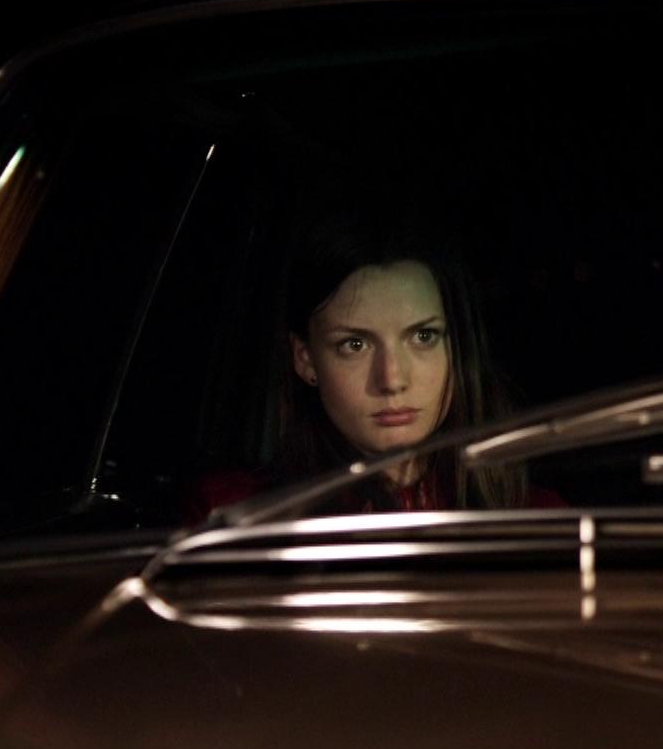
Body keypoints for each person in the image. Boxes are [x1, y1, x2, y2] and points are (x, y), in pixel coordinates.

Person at [186, 210, 545, 521]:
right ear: (305, 358)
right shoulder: (235, 519)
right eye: (355, 345)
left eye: (423, 337)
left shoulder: (536, 523)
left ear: (456, 347)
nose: (392, 379)